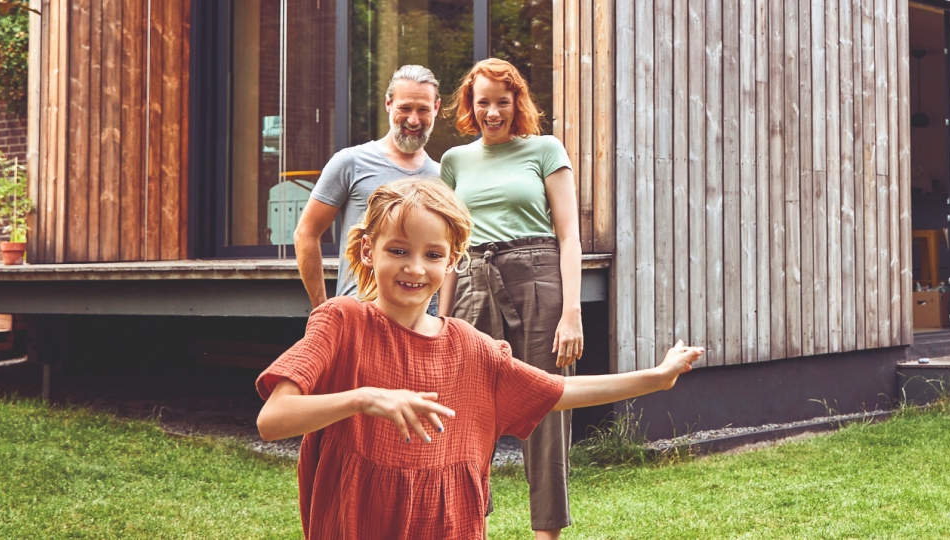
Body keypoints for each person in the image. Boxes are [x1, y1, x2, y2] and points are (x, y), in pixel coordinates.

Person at [255, 179, 704, 539]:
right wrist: (364, 399)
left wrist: (655, 378)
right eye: (398, 250)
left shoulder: (468, 346)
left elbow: (556, 389)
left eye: (432, 255)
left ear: (452, 262)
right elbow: (272, 419)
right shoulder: (341, 321)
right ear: (369, 252)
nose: (415, 268)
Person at [436, 58, 582, 539]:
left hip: (538, 278)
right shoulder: (455, 161)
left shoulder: (545, 149)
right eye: (483, 103)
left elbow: (569, 237)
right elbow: (450, 246)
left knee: (545, 405)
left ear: (517, 101)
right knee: (467, 411)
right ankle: (470, 526)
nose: (492, 112)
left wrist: (572, 314)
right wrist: (439, 318)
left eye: (502, 101)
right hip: (473, 280)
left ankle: (546, 534)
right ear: (470, 105)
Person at [295, 65, 443, 313]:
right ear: (388, 104)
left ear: (436, 109)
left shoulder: (442, 176)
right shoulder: (350, 162)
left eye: (423, 110)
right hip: (360, 311)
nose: (414, 119)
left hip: (423, 319)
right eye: (404, 108)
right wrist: (321, 309)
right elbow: (306, 234)